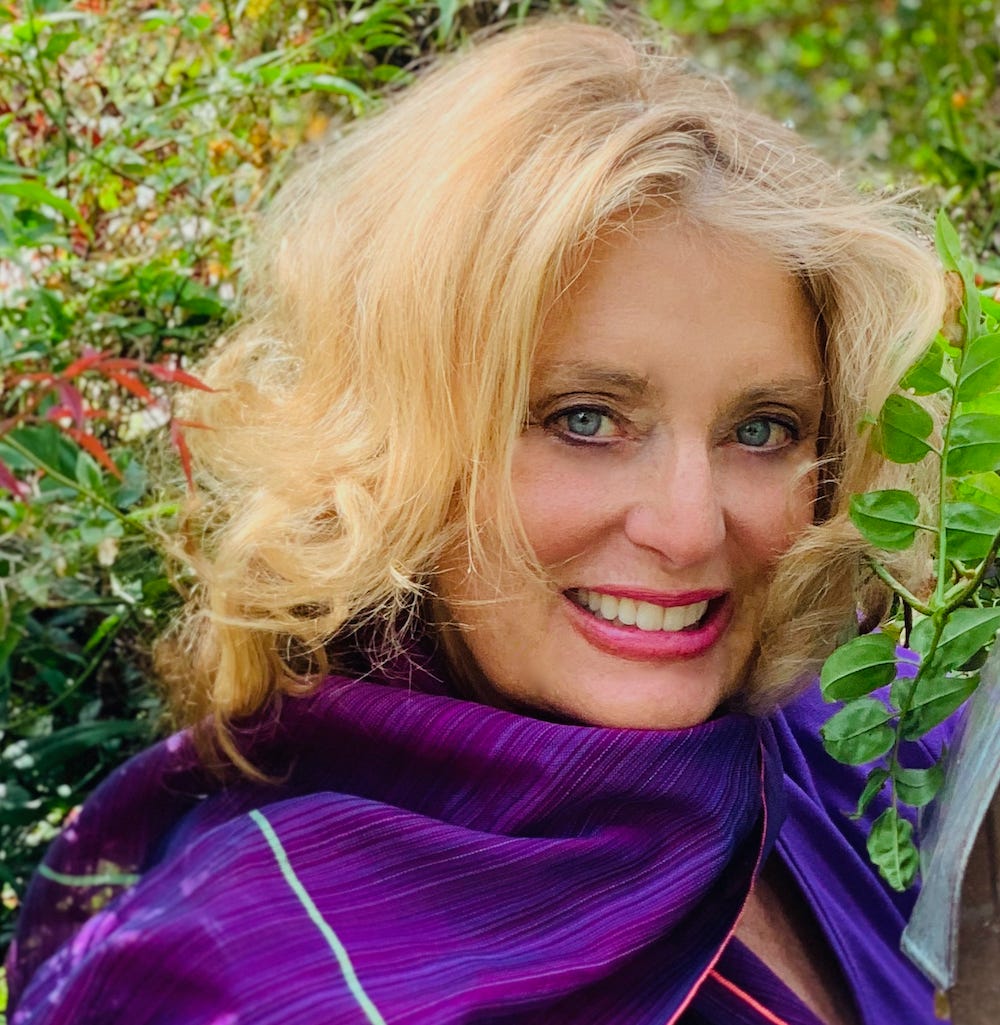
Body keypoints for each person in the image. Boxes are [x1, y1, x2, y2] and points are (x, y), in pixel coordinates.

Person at [5, 19, 949, 1025]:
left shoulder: (840, 753)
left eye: (761, 429)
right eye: (583, 419)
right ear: (396, 446)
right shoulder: (248, 974)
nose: (687, 528)